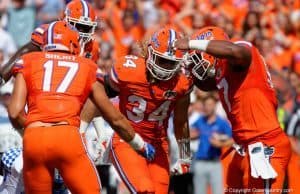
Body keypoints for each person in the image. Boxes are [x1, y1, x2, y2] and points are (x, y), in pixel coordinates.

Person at [7, 21, 155, 194]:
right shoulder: (87, 67)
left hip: (34, 139)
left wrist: (33, 130)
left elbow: (14, 112)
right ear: (72, 43)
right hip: (67, 137)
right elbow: (113, 117)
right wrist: (139, 144)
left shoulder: (27, 61)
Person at [174, 26, 291, 193]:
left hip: (265, 144)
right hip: (243, 147)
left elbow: (235, 52)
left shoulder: (240, 51)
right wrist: (186, 73)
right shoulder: (224, 70)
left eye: (198, 57)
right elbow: (207, 85)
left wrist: (192, 43)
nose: (196, 64)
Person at [105, 28, 193, 194]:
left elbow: (181, 121)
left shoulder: (182, 83)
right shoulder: (128, 70)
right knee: (144, 190)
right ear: (150, 53)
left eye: (171, 62)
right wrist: (92, 126)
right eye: (162, 60)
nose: (166, 68)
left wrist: (185, 156)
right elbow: (100, 96)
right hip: (128, 140)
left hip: (158, 145)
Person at [190, 94, 233, 194]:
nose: (208, 107)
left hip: (215, 163)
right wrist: (193, 135)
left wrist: (220, 144)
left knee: (217, 191)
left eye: (210, 104)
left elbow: (233, 139)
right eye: (206, 105)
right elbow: (189, 134)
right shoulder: (200, 120)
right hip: (199, 162)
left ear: (215, 105)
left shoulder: (221, 122)